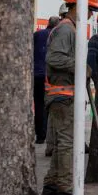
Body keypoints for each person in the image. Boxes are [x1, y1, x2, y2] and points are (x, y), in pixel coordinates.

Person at [41, 0, 98, 195]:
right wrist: (80, 65)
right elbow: (54, 58)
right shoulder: (66, 29)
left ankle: (51, 185)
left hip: (62, 95)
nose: (90, 14)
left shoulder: (69, 28)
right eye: (89, 9)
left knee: (61, 144)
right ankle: (66, 190)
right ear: (77, 5)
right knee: (67, 143)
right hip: (62, 95)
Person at [33, 16, 59, 144]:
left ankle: (39, 135)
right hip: (49, 76)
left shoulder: (37, 35)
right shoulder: (56, 36)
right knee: (49, 106)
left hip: (36, 75)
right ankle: (47, 135)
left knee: (38, 104)